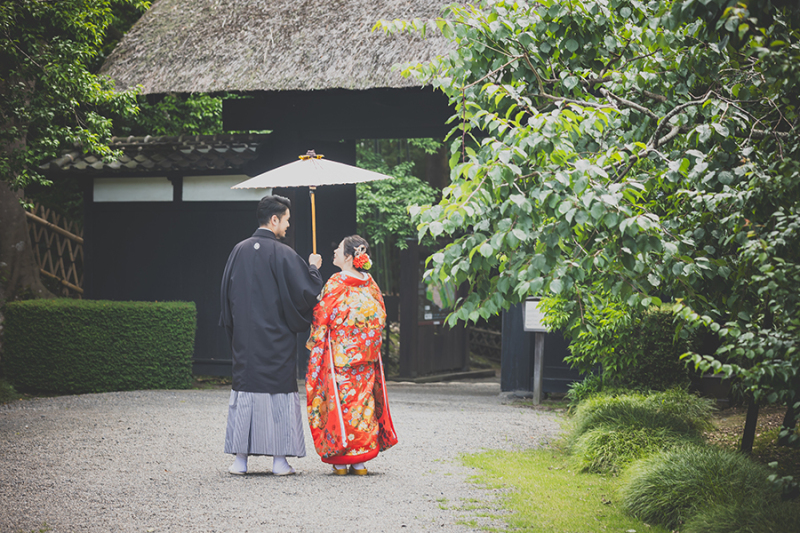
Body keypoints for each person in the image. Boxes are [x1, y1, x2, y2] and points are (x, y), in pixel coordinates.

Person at [219, 194, 323, 476]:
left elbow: (226, 297)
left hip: (245, 339)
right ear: (274, 219)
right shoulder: (284, 253)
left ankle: (240, 461)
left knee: (245, 394)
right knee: (278, 396)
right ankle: (279, 461)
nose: (288, 226)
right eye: (287, 219)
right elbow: (308, 293)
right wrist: (313, 268)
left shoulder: (238, 250)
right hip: (276, 340)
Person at [305, 235, 398, 475]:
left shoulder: (337, 282)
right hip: (366, 356)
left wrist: (316, 340)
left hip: (341, 356)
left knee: (341, 403)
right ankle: (360, 461)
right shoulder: (369, 283)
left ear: (348, 256)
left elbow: (321, 314)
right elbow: (381, 314)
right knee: (362, 404)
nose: (334, 251)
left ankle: (340, 460)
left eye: (337, 248)